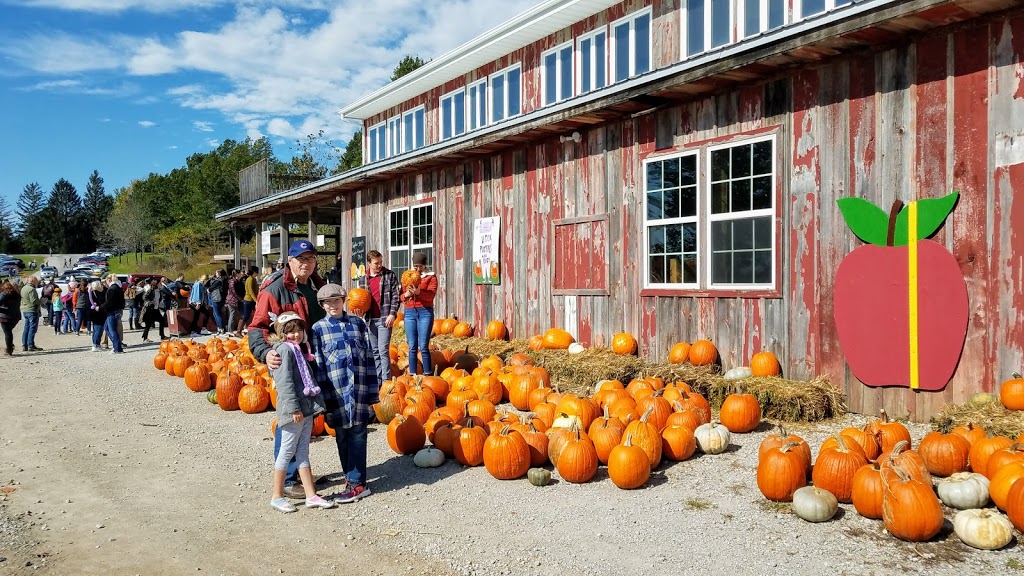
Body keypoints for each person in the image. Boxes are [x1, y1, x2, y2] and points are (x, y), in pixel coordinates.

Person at [248, 239, 327, 499]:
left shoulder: (317, 286)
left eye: (310, 258)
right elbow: (257, 327)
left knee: (305, 418)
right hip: (289, 365)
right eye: (300, 259)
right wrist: (265, 352)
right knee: (289, 420)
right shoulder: (275, 289)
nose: (306, 263)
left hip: (313, 362)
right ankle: (290, 479)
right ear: (289, 261)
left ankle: (300, 474)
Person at [311, 284, 379, 504]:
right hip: (336, 394)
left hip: (358, 392)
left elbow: (369, 359)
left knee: (359, 435)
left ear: (344, 301)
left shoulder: (357, 324)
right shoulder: (318, 330)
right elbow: (319, 367)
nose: (333, 305)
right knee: (342, 436)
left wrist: (372, 394)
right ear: (322, 305)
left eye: (337, 300)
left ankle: (358, 483)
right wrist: (323, 401)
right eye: (328, 302)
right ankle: (351, 477)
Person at [266, 312, 334, 513]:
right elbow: (284, 382)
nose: (296, 334)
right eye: (290, 331)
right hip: (293, 411)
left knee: (303, 452)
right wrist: (294, 408)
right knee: (286, 452)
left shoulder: (299, 350)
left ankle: (310, 495)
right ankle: (277, 496)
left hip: (305, 409)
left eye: (298, 330)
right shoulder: (284, 351)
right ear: (281, 333)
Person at [361, 250, 400, 385]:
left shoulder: (389, 275)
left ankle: (386, 382)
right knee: (375, 352)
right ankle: (377, 382)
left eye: (381, 262)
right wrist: (359, 313)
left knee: (383, 351)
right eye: (376, 263)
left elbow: (396, 296)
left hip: (385, 318)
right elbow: (361, 300)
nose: (379, 265)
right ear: (369, 263)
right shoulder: (363, 279)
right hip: (370, 320)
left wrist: (392, 313)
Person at [400, 252, 437, 374]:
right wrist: (406, 295)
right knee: (412, 346)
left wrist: (418, 293)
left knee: (424, 346)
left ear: (425, 265)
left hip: (425, 312)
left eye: (420, 266)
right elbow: (400, 297)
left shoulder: (431, 277)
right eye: (415, 266)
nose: (418, 269)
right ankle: (412, 375)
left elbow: (431, 296)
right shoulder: (408, 277)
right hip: (410, 312)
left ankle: (427, 374)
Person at [140, 277, 167, 342]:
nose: (160, 284)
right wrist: (150, 302)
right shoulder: (151, 289)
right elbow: (144, 297)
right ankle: (145, 338)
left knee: (162, 321)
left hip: (156, 309)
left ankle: (162, 336)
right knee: (148, 324)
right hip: (149, 309)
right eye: (159, 283)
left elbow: (159, 299)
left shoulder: (158, 290)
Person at [103, 275, 126, 354]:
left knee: (112, 330)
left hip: (112, 310)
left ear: (108, 280)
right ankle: (117, 345)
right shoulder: (119, 288)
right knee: (107, 327)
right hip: (118, 310)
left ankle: (117, 348)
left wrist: (101, 307)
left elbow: (110, 301)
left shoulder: (112, 289)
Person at [19, 276, 42, 352]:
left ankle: (24, 345)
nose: (37, 283)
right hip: (32, 310)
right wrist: (41, 301)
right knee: (32, 328)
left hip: (25, 309)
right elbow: (34, 301)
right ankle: (30, 345)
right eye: (36, 281)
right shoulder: (31, 289)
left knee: (26, 328)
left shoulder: (23, 288)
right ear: (32, 281)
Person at [0, 280, 22, 356]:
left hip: (5, 316)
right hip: (16, 316)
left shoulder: (4, 294)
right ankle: (10, 347)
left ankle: (9, 349)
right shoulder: (17, 295)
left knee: (7, 333)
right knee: (9, 332)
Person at [87, 280, 107, 352]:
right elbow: (102, 302)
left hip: (94, 313)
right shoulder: (98, 293)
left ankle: (95, 344)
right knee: (98, 329)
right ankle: (96, 344)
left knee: (96, 329)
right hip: (98, 313)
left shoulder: (91, 292)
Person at [224, 269, 244, 337]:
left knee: (243, 314)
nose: (241, 274)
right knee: (232, 315)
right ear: (237, 274)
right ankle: (230, 330)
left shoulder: (239, 281)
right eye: (240, 273)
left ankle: (242, 329)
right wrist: (240, 299)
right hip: (232, 301)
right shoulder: (232, 282)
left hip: (238, 301)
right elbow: (234, 292)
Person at [208, 270, 226, 335]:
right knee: (216, 313)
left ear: (219, 274)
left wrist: (209, 289)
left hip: (216, 298)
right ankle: (220, 328)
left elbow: (211, 288)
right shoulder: (225, 280)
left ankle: (221, 328)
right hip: (222, 298)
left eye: (216, 273)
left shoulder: (219, 281)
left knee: (216, 313)